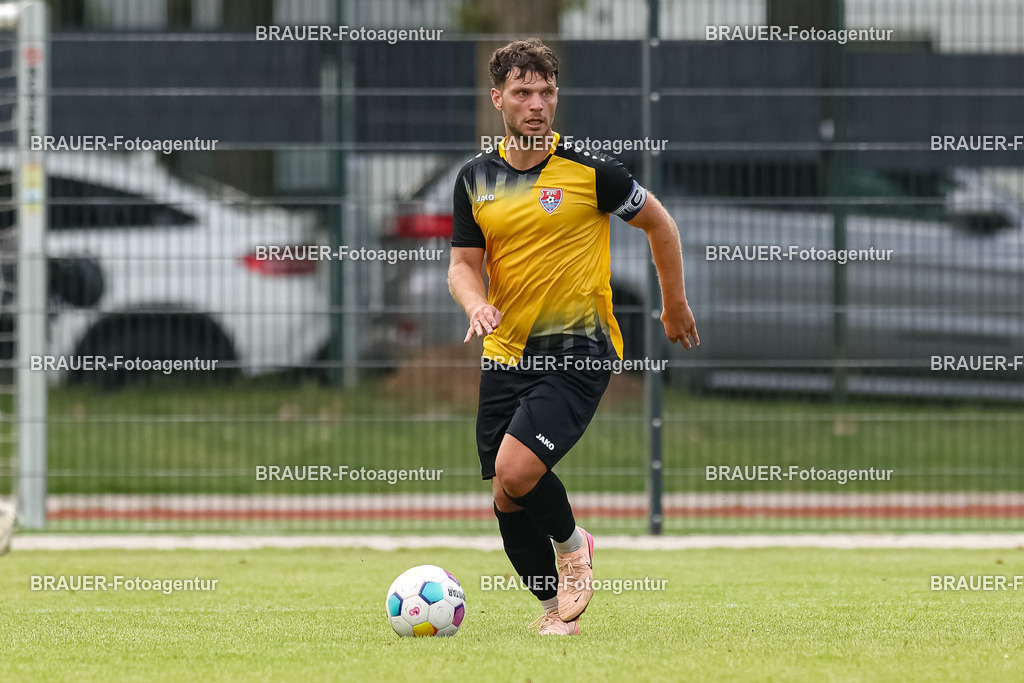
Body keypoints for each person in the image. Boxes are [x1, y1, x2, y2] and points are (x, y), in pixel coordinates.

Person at [448, 37, 699, 635]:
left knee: (516, 472)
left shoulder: (592, 173)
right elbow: (462, 264)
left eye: (547, 92)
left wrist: (674, 304)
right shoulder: (474, 179)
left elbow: (659, 223)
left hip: (579, 349)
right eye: (522, 92)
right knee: (507, 497)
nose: (536, 104)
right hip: (505, 353)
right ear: (498, 100)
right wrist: (477, 302)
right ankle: (554, 613)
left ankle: (573, 543)